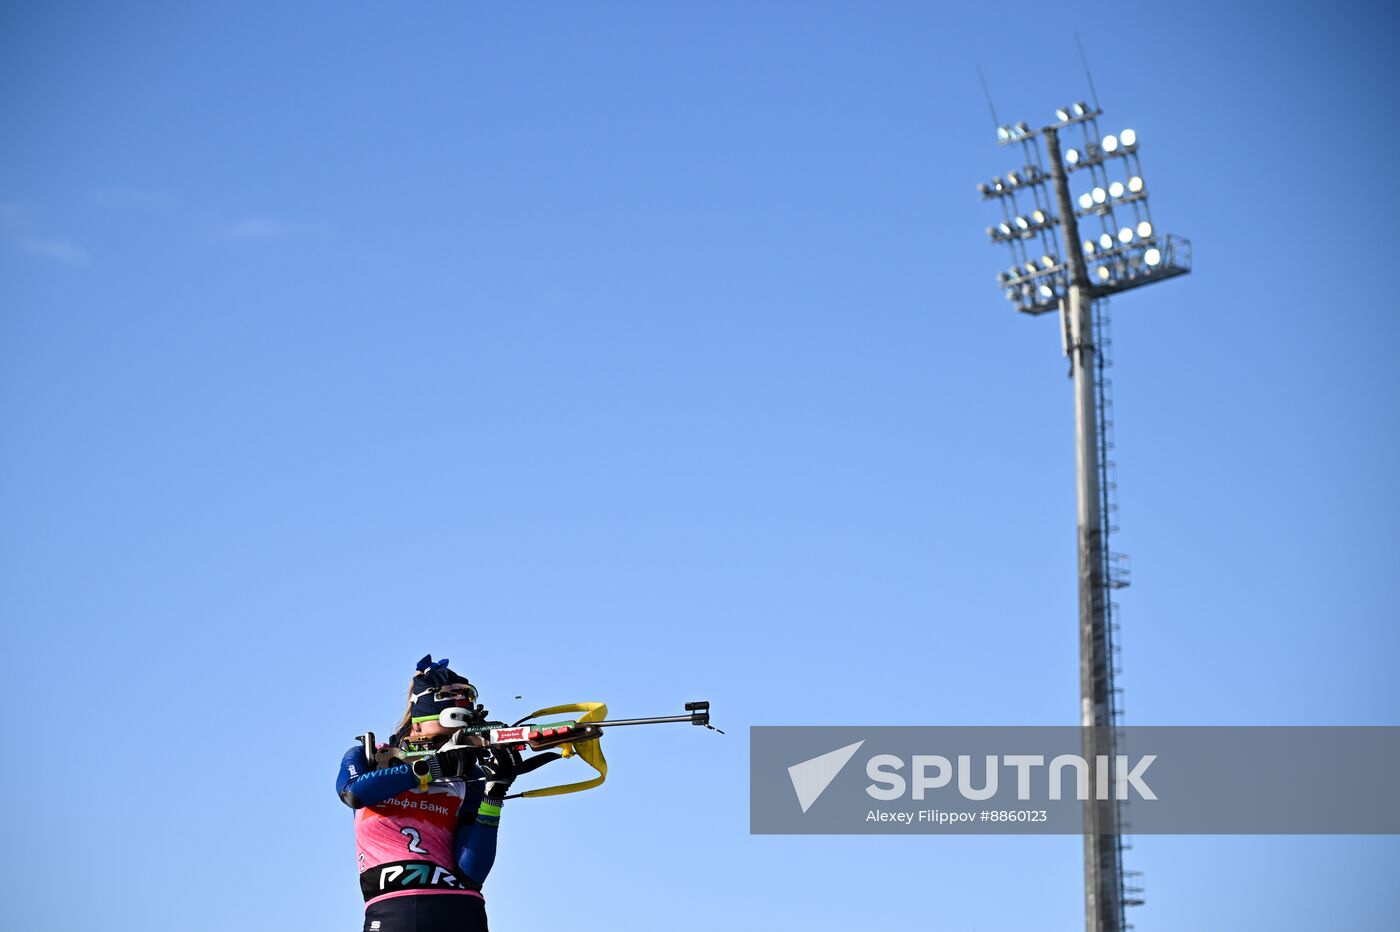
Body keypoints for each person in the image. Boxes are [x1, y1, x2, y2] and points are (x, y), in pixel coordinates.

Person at [336, 655, 521, 932]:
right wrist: (430, 769)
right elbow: (354, 793)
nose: (452, 744)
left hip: (458, 910)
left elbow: (471, 873)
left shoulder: (468, 774)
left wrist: (493, 794)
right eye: (445, 735)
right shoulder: (370, 757)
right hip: (390, 911)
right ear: (419, 724)